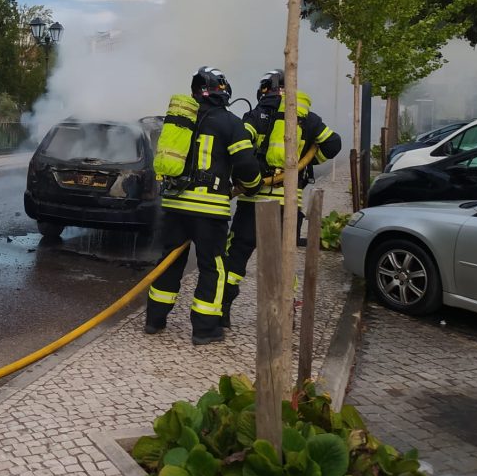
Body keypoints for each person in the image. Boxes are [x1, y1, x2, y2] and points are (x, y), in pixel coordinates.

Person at [145, 66, 262, 346]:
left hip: (174, 206)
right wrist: (254, 184)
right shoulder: (231, 123)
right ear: (223, 91)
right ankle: (205, 329)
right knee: (213, 266)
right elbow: (246, 165)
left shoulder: (181, 121)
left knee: (169, 261)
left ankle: (154, 320)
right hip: (209, 211)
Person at [222, 69, 342, 328]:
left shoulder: (256, 115)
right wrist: (306, 160)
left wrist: (249, 178)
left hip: (251, 202)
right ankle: (284, 318)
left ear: (265, 88)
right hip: (287, 205)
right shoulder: (307, 118)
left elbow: (240, 147)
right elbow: (333, 145)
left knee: (236, 258)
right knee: (284, 262)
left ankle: (223, 311)